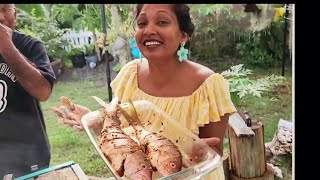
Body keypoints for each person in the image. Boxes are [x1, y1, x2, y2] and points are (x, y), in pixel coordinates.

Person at [53, 4, 236, 180]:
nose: (149, 30)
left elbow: (213, 156)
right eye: (142, 23)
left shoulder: (208, 85)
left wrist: (197, 155)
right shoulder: (129, 75)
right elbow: (125, 139)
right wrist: (94, 121)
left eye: (162, 22)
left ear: (183, 35)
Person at [0, 4, 56, 177]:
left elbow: (43, 91)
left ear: (14, 13)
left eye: (5, 9)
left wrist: (6, 46)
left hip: (29, 155)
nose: (1, 17)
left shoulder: (30, 45)